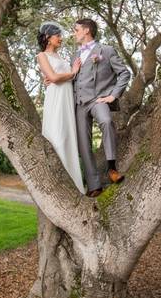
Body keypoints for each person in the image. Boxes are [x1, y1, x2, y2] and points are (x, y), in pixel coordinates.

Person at [67, 18, 131, 197]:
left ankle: (112, 169)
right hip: (79, 103)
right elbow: (71, 78)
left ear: (86, 30)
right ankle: (94, 185)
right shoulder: (75, 55)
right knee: (83, 144)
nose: (74, 33)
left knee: (106, 120)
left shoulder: (107, 51)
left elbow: (124, 73)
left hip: (98, 100)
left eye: (76, 29)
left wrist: (113, 95)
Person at [36, 22, 85, 193]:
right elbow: (54, 77)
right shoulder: (42, 55)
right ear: (48, 38)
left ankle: (74, 184)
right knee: (57, 136)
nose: (61, 38)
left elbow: (57, 77)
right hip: (56, 99)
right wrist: (72, 72)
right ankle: (58, 185)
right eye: (58, 35)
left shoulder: (61, 58)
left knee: (67, 136)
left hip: (67, 99)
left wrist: (66, 75)